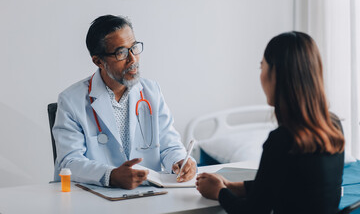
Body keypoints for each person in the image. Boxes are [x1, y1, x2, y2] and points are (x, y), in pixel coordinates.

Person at [196, 31, 345, 213]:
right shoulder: (334, 126)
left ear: (276, 74)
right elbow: (291, 185)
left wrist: (219, 192)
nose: (261, 75)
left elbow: (253, 211)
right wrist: (233, 186)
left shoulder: (283, 139)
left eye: (262, 67)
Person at [53, 15, 196, 189]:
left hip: (148, 194)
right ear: (98, 61)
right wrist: (110, 175)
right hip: (96, 196)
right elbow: (69, 162)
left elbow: (169, 145)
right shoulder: (71, 101)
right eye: (121, 52)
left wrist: (180, 160)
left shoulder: (151, 92)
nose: (133, 59)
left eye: (134, 48)